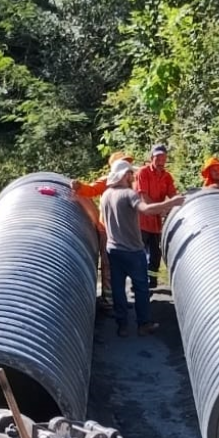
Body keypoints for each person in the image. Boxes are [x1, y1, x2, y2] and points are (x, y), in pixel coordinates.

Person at [101, 160, 184, 337]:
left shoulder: (106, 194)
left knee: (118, 288)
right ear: (124, 176)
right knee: (141, 288)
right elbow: (145, 209)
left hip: (113, 249)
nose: (133, 176)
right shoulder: (128, 194)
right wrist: (171, 203)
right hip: (132, 250)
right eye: (131, 173)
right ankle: (143, 324)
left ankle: (122, 325)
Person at [70, 151, 134, 312]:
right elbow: (91, 190)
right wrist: (79, 186)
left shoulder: (131, 180)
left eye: (128, 162)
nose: (127, 165)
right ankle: (109, 301)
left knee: (122, 264)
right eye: (123, 162)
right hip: (107, 229)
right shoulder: (107, 180)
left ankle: (119, 298)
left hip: (124, 229)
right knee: (108, 264)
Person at [134, 144, 177, 288]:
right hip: (141, 220)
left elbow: (173, 196)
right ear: (151, 158)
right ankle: (138, 282)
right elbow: (144, 198)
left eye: (163, 158)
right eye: (157, 158)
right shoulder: (143, 173)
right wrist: (163, 209)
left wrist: (175, 205)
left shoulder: (167, 176)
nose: (160, 161)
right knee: (139, 253)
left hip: (156, 223)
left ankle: (151, 282)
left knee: (155, 255)